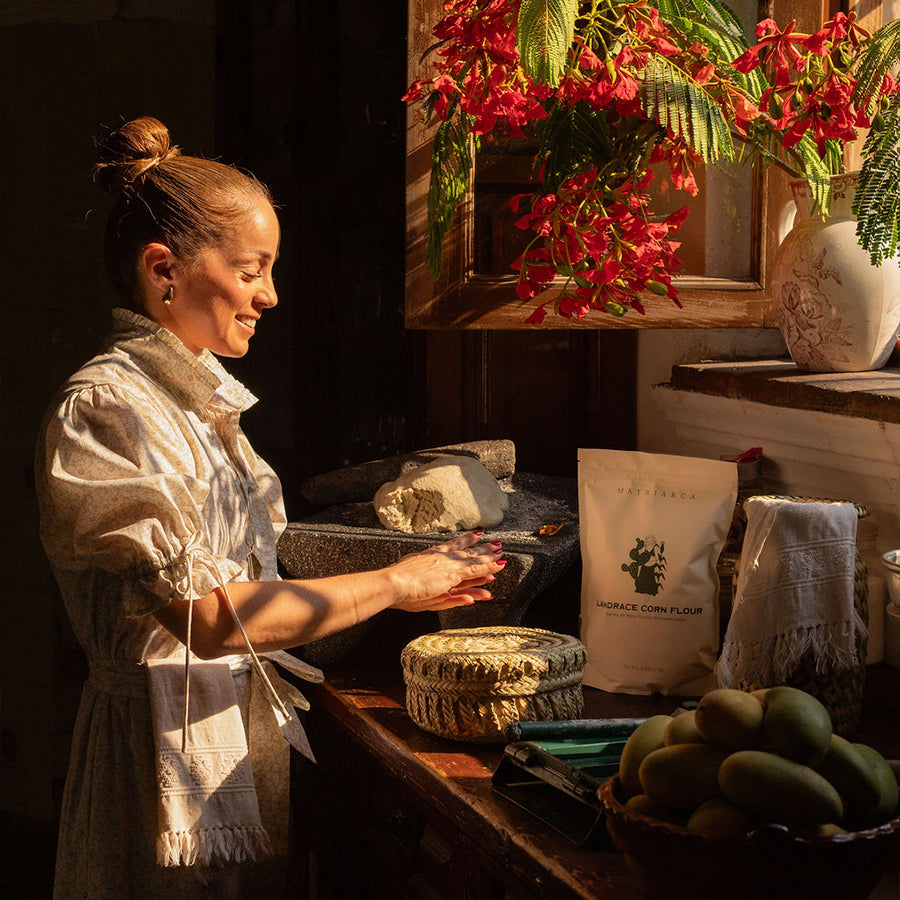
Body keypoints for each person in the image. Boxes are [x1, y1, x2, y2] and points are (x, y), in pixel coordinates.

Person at [35, 116, 505, 899]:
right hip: (151, 767)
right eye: (253, 269)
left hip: (235, 744)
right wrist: (398, 582)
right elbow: (211, 617)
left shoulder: (196, 406)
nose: (271, 295)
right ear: (164, 270)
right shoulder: (108, 411)